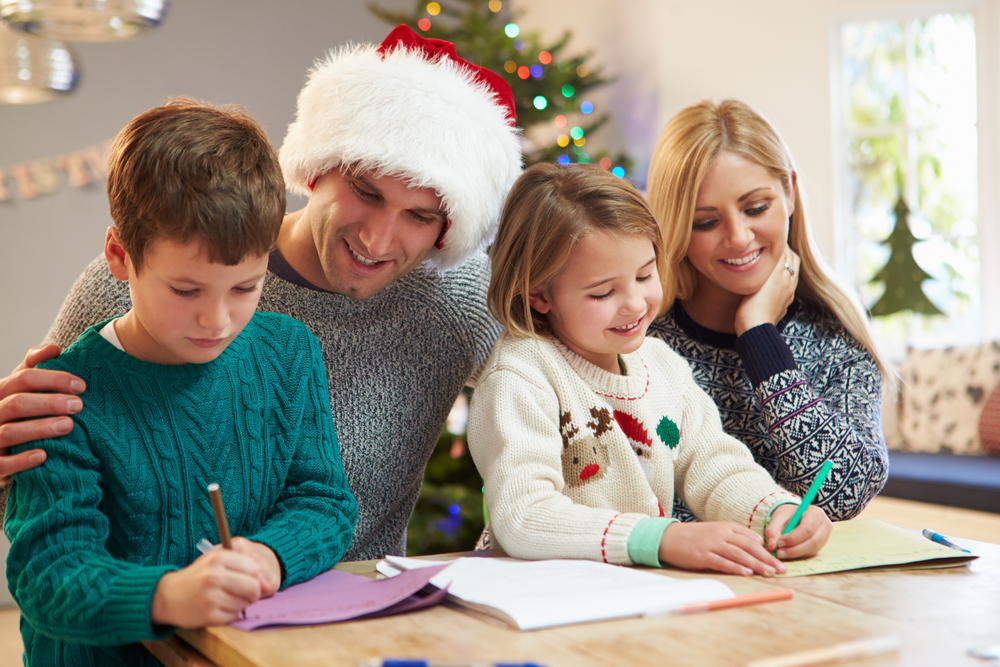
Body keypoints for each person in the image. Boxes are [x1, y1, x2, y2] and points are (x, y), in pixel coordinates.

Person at [0, 25, 522, 561]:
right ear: (319, 169)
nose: (377, 239)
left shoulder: (459, 297)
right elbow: (35, 501)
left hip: (358, 620)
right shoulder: (149, 283)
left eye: (419, 216)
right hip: (159, 622)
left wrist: (497, 561)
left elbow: (576, 418)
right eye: (365, 193)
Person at [4, 99, 359, 666]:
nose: (216, 320)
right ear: (120, 256)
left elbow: (325, 500)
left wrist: (270, 557)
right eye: (186, 291)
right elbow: (50, 575)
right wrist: (169, 595)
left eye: (245, 287)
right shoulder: (58, 397)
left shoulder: (290, 353)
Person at [467, 163, 831, 575]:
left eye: (645, 274)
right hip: (534, 598)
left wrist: (773, 511)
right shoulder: (520, 376)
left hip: (634, 594)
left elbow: (711, 465)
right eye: (604, 292)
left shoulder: (661, 366)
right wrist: (661, 538)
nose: (637, 304)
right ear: (538, 296)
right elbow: (523, 517)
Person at [644, 99, 891, 523]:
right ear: (676, 227)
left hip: (806, 585)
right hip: (677, 582)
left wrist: (759, 336)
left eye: (756, 208)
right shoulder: (644, 345)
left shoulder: (837, 336)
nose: (739, 238)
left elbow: (845, 492)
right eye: (706, 222)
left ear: (790, 192)